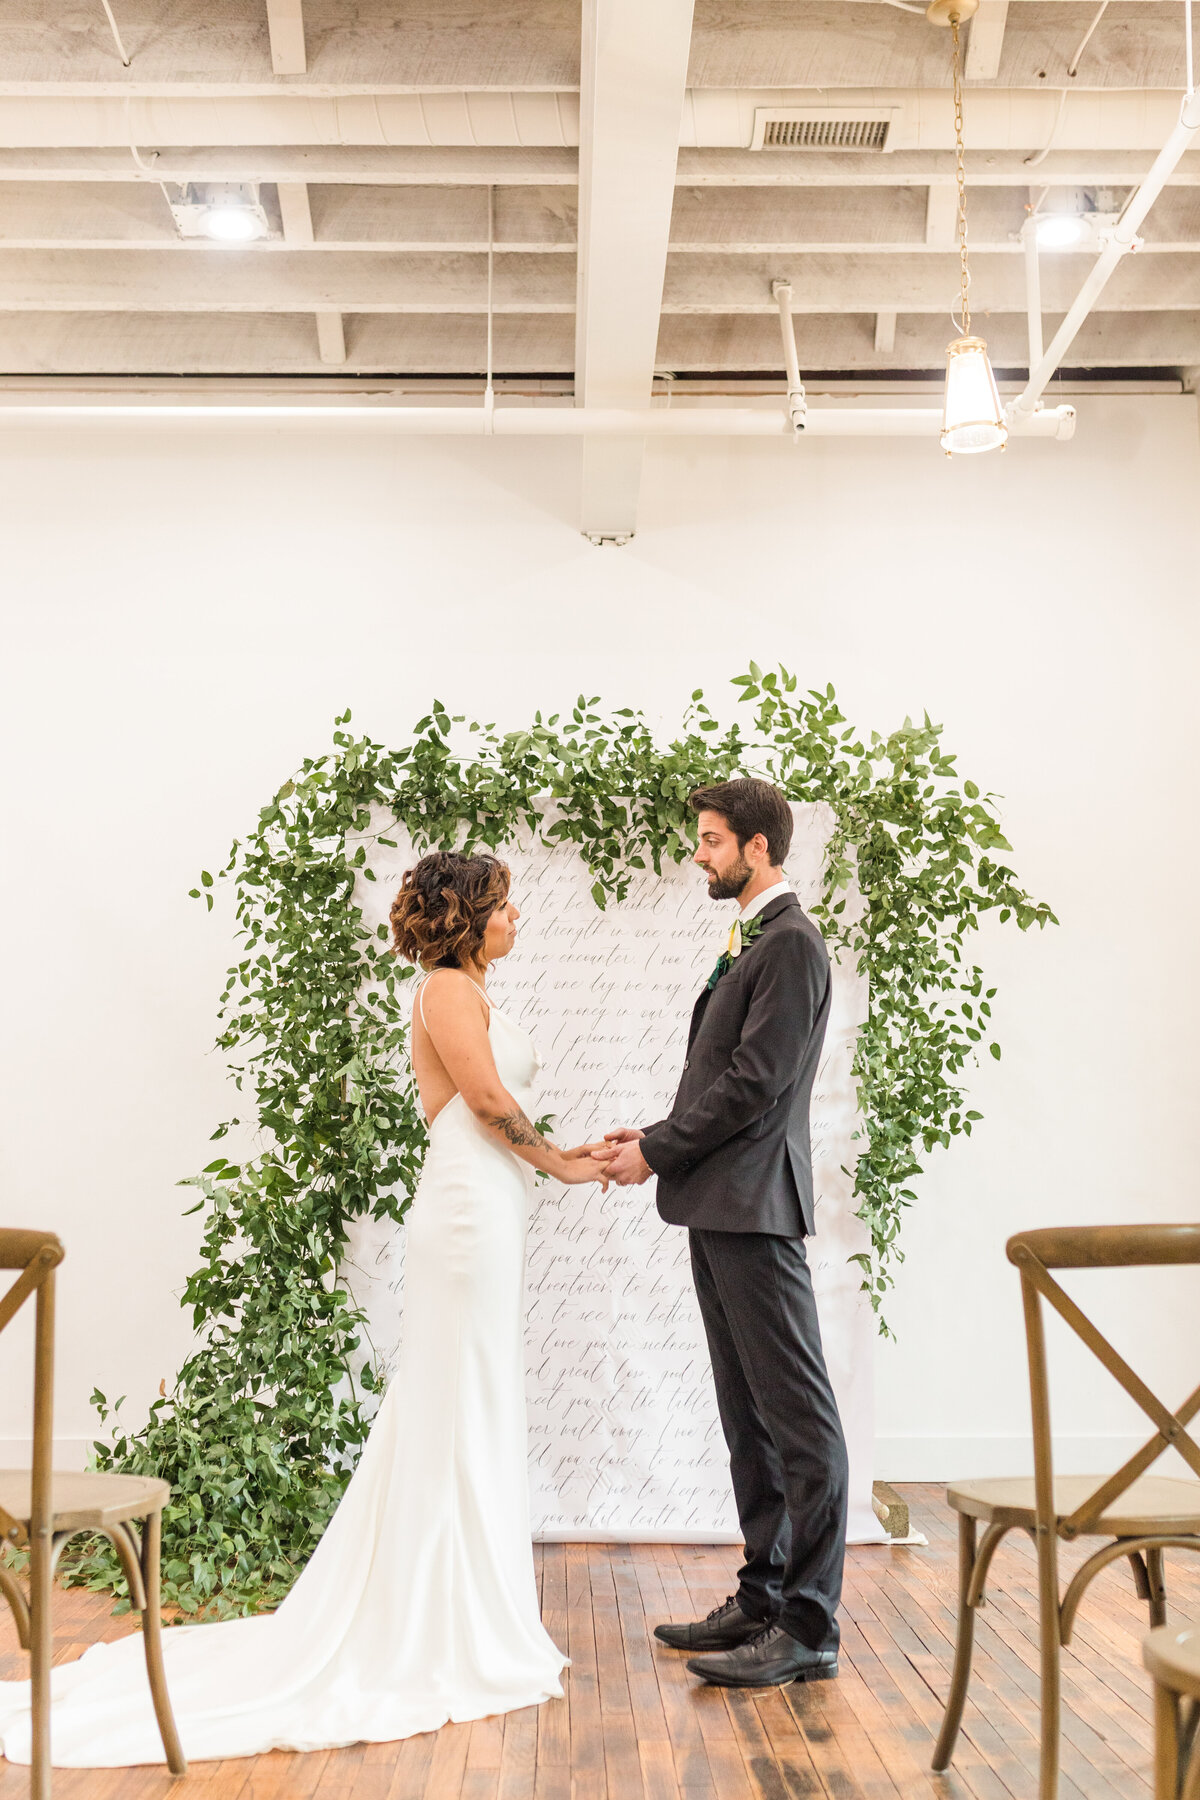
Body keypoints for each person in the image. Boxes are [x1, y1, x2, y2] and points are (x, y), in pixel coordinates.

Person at [0, 851, 605, 1766]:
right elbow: (484, 1100)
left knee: (470, 1398)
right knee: (455, 1398)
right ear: (467, 918)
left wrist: (563, 1158)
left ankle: (461, 1601)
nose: (517, 918)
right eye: (505, 905)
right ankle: (442, 1616)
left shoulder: (472, 992)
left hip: (489, 1210)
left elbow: (497, 1100)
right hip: (469, 1214)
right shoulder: (446, 990)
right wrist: (561, 1162)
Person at [598, 779, 849, 1690]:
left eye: (709, 841)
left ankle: (810, 1627)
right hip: (719, 1206)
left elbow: (755, 1087)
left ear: (757, 848)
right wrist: (652, 1138)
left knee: (799, 1421)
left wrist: (657, 1153)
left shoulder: (791, 946)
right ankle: (763, 1594)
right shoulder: (754, 940)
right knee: (749, 1418)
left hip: (756, 1209)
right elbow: (723, 1077)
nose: (698, 855)